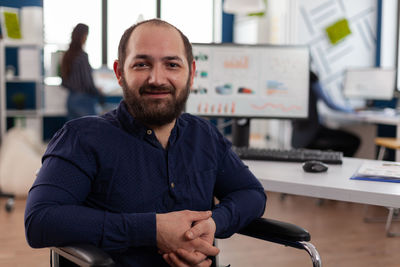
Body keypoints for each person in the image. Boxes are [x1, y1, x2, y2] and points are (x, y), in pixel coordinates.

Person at [25, 19, 266, 267]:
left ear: (192, 73)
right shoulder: (82, 137)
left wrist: (214, 223)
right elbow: (40, 220)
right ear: (120, 73)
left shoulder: (204, 135)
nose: (156, 78)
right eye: (142, 64)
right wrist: (152, 229)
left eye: (172, 65)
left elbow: (251, 193)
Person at [291, 71, 360, 157]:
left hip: (298, 137)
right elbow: (330, 104)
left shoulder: (292, 80)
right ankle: (338, 164)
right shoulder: (311, 78)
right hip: (313, 134)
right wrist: (352, 110)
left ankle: (333, 162)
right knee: (354, 141)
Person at [61, 23, 102, 121]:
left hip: (71, 99)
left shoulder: (67, 55)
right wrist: (98, 92)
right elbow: (87, 82)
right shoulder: (82, 56)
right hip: (84, 100)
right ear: (83, 36)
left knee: (75, 133)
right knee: (91, 131)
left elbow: (64, 82)